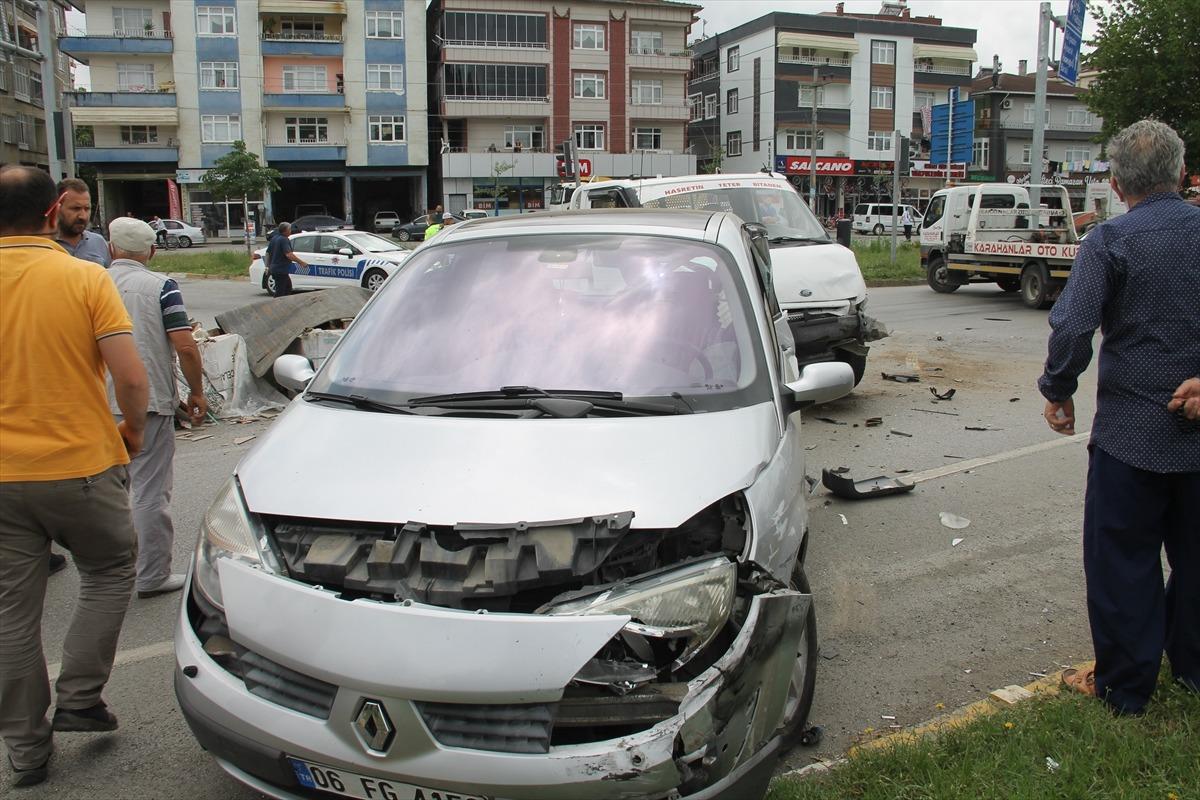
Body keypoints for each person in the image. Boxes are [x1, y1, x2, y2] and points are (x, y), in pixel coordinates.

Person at [1038, 120, 1199, 714]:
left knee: (1122, 562)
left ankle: (1126, 687)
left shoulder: (1109, 241)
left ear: (1114, 182)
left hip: (1131, 438)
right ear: (1180, 174)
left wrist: (1058, 388)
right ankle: (1193, 671)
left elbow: (1074, 324)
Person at [0, 165, 149, 788]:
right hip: (82, 464)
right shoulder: (84, 277)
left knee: (11, 614)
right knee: (112, 568)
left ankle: (27, 753)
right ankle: (81, 696)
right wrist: (134, 432)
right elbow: (131, 377)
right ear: (55, 209)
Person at [104, 217, 208, 599]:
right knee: (149, 492)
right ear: (150, 251)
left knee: (111, 492)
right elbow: (184, 345)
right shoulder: (161, 286)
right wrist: (196, 392)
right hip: (147, 402)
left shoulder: (90, 282)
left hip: (99, 402)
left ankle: (109, 573)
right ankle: (151, 575)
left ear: (111, 248)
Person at [54, 178, 109, 267]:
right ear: (57, 208)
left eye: (87, 209)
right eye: (76, 209)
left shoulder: (99, 242)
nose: (83, 216)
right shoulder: (45, 245)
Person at [265, 222, 308, 297]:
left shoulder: (274, 238)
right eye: (289, 229)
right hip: (280, 270)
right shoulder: (284, 239)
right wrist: (301, 263)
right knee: (281, 292)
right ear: (285, 230)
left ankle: (283, 305)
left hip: (275, 269)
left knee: (287, 289)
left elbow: (267, 253)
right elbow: (289, 254)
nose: (291, 231)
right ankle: (276, 306)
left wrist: (267, 266)